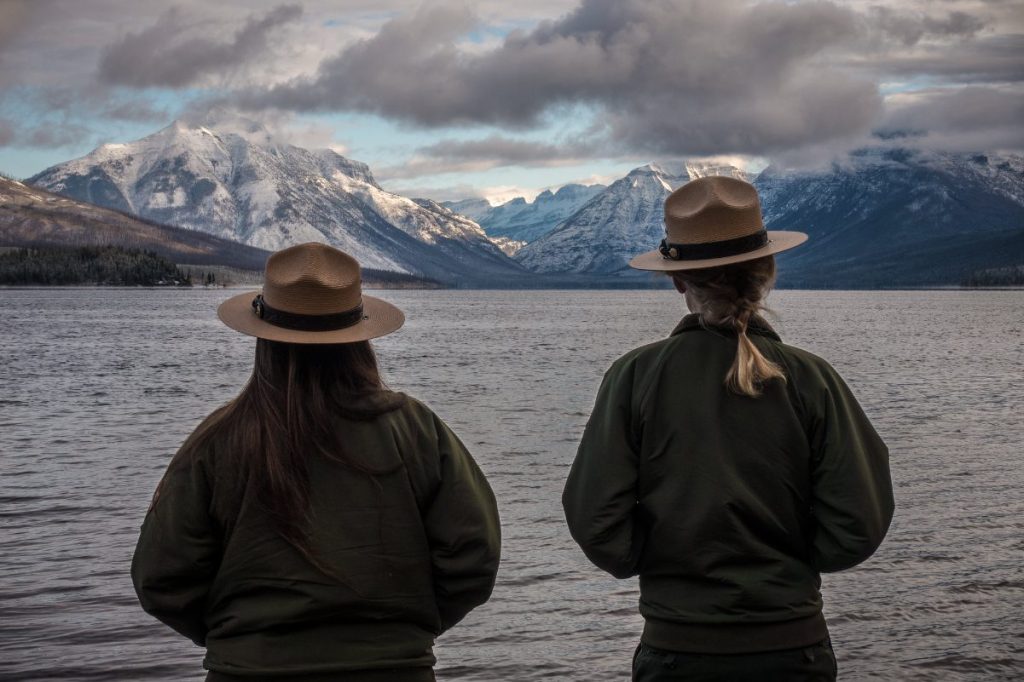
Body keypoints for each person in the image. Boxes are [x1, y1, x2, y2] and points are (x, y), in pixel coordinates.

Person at [562, 176, 894, 681]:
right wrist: (794, 560)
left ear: (678, 281)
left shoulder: (634, 376)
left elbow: (595, 522)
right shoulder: (812, 378)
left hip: (677, 650)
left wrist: (661, 562)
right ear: (767, 271)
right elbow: (858, 526)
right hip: (793, 648)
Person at [132, 243, 501, 681]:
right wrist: (399, 633)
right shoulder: (415, 428)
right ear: (359, 337)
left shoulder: (218, 438)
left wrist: (242, 642)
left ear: (263, 338)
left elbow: (162, 577)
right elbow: (474, 555)